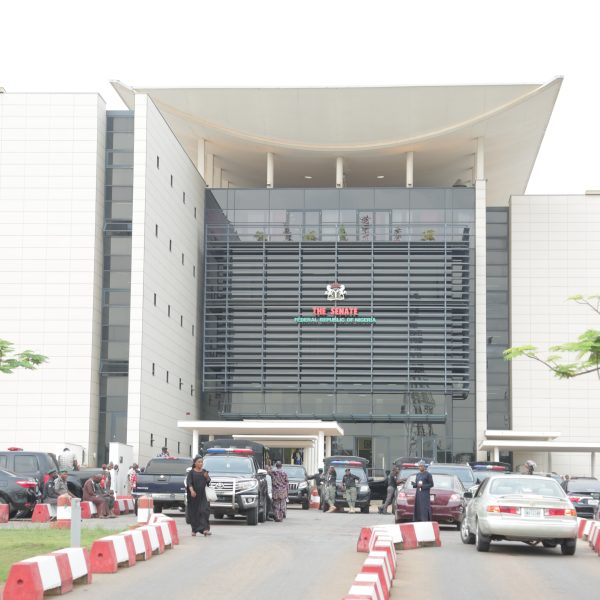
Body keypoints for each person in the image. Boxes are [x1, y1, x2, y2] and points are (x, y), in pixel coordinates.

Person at [187, 456, 212, 536]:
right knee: (194, 512)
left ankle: (205, 529)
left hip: (203, 495)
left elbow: (208, 482)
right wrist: (192, 491)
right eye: (199, 462)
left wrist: (206, 477)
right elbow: (189, 483)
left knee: (204, 511)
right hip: (194, 496)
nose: (201, 463)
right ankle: (194, 530)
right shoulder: (191, 472)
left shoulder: (204, 471)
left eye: (202, 462)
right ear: (195, 463)